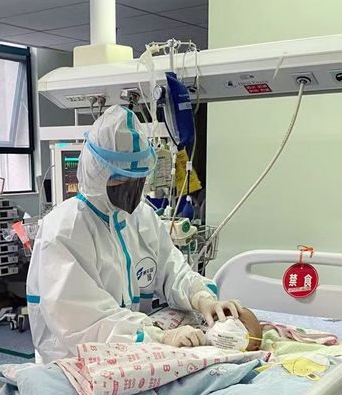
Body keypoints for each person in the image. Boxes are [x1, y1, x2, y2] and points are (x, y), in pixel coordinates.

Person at [27, 105, 241, 363]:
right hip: (73, 360)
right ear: (96, 172)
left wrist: (200, 296)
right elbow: (84, 319)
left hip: (132, 352)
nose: (132, 189)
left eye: (138, 178)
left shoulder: (142, 218)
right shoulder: (64, 232)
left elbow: (171, 269)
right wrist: (157, 336)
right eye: (121, 179)